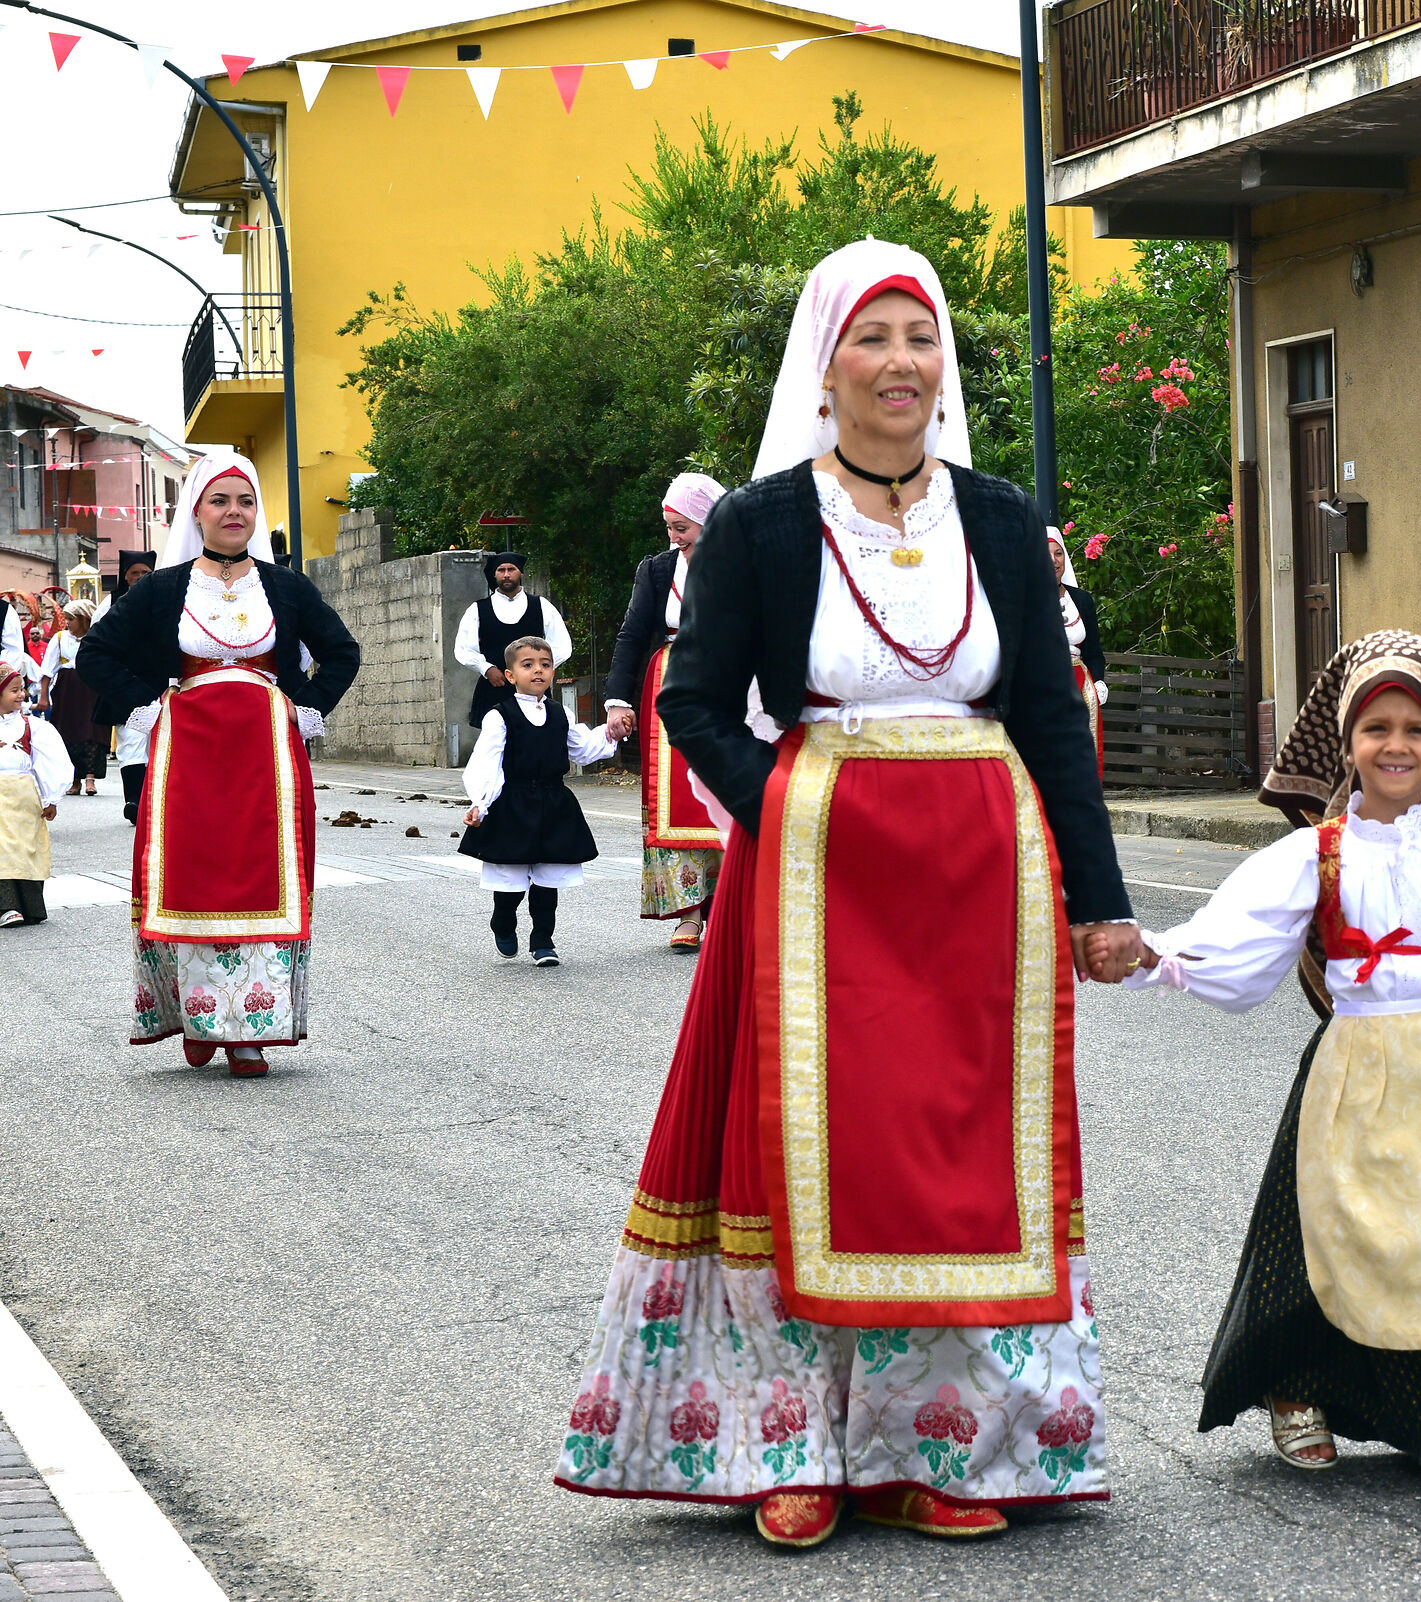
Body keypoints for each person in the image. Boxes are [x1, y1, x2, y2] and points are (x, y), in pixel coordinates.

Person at [553, 239, 1137, 1551]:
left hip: (978, 886)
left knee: (955, 1164)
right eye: (871, 338)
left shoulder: (995, 517)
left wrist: (1097, 902)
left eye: (919, 337)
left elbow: (1047, 714)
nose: (900, 364)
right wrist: (787, 810)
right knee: (803, 1156)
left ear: (943, 366)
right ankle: (794, 1443)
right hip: (818, 879)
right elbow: (694, 701)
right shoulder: (763, 523)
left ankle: (936, 1447)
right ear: (825, 364)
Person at [1099, 629, 1421, 1513]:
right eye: (1377, 729)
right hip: (1352, 1066)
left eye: (1417, 731)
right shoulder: (1315, 853)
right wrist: (1150, 954)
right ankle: (1299, 1388)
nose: (1396, 746)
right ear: (1348, 744)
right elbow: (1230, 940)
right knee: (1328, 1235)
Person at [79, 451, 361, 1077]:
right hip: (190, 758)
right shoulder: (160, 590)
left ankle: (247, 1031)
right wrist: (149, 710)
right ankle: (196, 1014)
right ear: (197, 512)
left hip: (267, 758)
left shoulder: (286, 587)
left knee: (263, 877)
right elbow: (96, 653)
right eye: (220, 501)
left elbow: (342, 652)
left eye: (245, 501)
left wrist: (300, 706)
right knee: (194, 876)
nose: (234, 513)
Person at [603, 473, 729, 951]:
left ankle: (728, 909)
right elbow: (632, 636)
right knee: (676, 803)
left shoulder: (745, 561)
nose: (675, 539)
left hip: (731, 685)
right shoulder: (656, 570)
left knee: (727, 793)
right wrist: (616, 700)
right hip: (670, 688)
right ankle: (690, 914)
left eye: (683, 528)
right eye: (670, 529)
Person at [459, 636, 618, 967]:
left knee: (549, 877)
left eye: (545, 665)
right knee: (510, 877)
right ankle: (502, 921)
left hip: (553, 803)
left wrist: (610, 733)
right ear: (511, 674)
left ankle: (543, 940)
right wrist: (480, 803)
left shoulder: (561, 714)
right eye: (528, 665)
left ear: (554, 673)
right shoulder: (499, 716)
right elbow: (487, 762)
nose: (538, 671)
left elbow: (582, 750)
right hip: (511, 803)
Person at [454, 550, 573, 728]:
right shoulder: (477, 610)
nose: (507, 574)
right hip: (494, 686)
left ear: (521, 573)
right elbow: (463, 648)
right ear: (495, 574)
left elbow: (562, 646)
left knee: (536, 738)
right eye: (501, 570)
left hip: (533, 690)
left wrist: (538, 670)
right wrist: (486, 669)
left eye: (512, 569)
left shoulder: (541, 606)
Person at [0, 663, 69, 928]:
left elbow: (50, 760)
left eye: (21, 690)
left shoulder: (32, 726)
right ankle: (7, 906)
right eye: (13, 691)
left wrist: (51, 797)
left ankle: (30, 906)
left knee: (27, 848)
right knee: (3, 849)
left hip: (24, 797)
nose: (21, 695)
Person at [102, 552, 159, 822]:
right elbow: (98, 641)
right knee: (130, 742)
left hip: (159, 682)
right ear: (124, 576)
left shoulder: (163, 600)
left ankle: (155, 801)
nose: (139, 578)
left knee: (158, 743)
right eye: (134, 573)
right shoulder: (110, 603)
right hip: (125, 682)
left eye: (145, 573)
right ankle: (134, 801)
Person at [1048, 528, 1107, 784]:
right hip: (1044, 682)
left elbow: (1093, 650)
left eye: (1058, 553)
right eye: (1045, 554)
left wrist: (1099, 680)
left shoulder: (1082, 600)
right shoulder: (1026, 599)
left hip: (1080, 685)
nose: (1053, 560)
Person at [44, 599, 106, 796]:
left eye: (71, 619)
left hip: (93, 687)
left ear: (83, 619)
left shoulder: (97, 637)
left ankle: (90, 778)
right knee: (68, 731)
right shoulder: (60, 639)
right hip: (67, 689)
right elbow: (47, 669)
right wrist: (44, 696)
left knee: (93, 730)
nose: (67, 623)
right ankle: (74, 779)